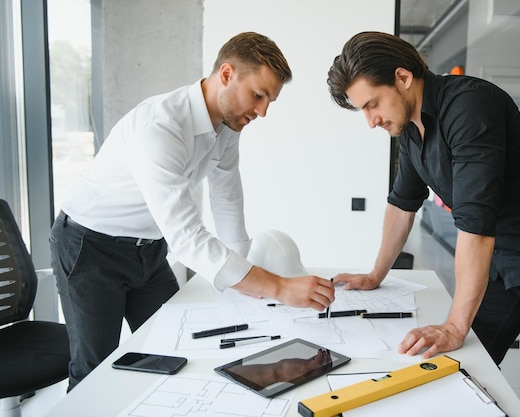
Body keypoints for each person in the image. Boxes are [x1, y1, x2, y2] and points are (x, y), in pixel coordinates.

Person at [326, 31, 520, 417]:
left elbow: (476, 224)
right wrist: (375, 274)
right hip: (505, 259)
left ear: (403, 77)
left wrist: (455, 325)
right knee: (461, 363)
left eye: (372, 104)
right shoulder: (409, 128)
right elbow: (402, 203)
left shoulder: (470, 106)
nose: (371, 121)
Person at [50, 32, 334, 391]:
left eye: (270, 101)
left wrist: (242, 280)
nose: (262, 112)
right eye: (259, 95)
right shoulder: (160, 127)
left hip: (149, 249)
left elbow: (226, 195)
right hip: (90, 247)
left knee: (175, 348)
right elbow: (186, 237)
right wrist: (277, 286)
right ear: (227, 74)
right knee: (95, 370)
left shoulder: (228, 125)